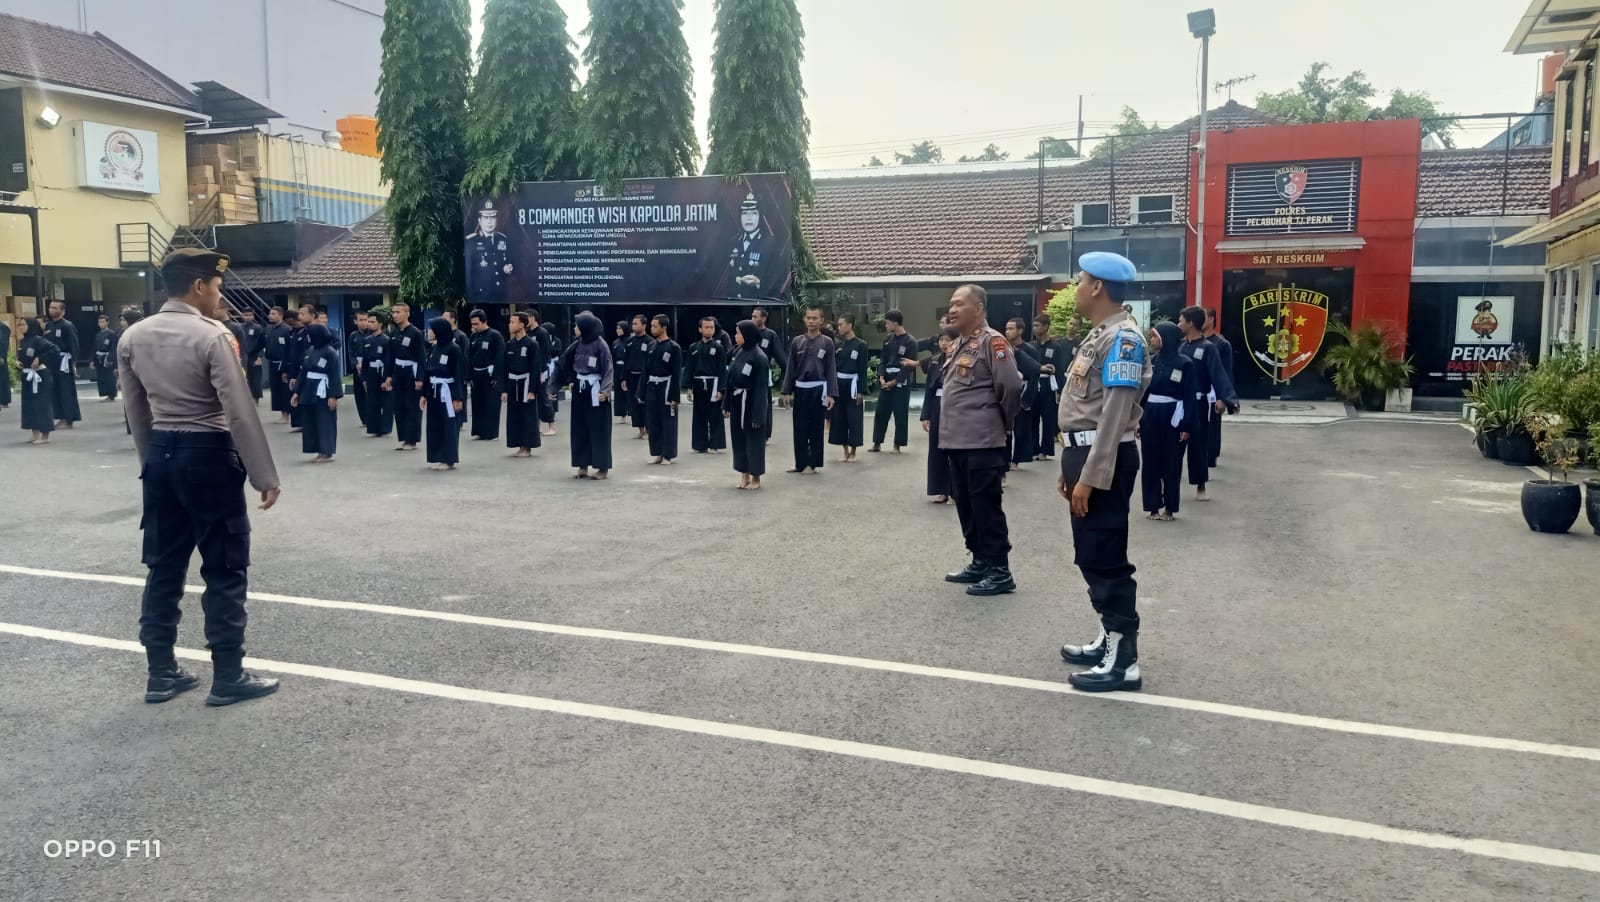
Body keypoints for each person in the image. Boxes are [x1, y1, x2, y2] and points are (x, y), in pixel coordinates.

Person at [119, 248, 282, 706]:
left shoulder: (134, 335)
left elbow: (136, 408)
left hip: (161, 454)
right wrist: (262, 472)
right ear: (198, 286)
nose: (218, 293)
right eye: (216, 286)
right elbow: (239, 408)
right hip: (208, 454)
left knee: (164, 564)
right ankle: (228, 674)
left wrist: (150, 461)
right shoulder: (214, 335)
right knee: (224, 565)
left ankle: (161, 672)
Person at [1056, 252, 1152, 693]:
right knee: (1091, 552)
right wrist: (1071, 466)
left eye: (1080, 281)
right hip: (1087, 454)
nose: (1074, 289)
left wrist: (1092, 475)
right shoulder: (1103, 334)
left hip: (1104, 456)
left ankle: (1124, 659)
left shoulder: (1124, 339)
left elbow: (1113, 414)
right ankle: (1108, 635)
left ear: (1097, 287)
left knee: (1105, 555)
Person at [940, 285, 1023, 597]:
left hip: (983, 441)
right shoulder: (960, 343)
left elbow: (1011, 388)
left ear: (979, 308)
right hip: (956, 441)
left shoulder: (994, 341)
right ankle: (979, 560)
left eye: (959, 303)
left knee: (986, 506)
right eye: (951, 303)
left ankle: (999, 569)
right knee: (966, 505)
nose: (952, 309)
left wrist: (1001, 423)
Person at [1141, 321, 1196, 521]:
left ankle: (1170, 508)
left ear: (1166, 338)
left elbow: (1189, 395)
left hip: (1174, 415)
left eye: (1155, 336)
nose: (1152, 340)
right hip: (1151, 414)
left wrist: (1187, 425)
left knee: (1171, 463)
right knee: (1150, 462)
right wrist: (1139, 420)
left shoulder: (1184, 363)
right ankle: (1152, 506)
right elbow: (1144, 393)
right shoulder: (1152, 361)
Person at [1176, 306, 1233, 502]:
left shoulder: (1209, 348)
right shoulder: (1180, 346)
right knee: (1175, 446)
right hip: (1180, 404)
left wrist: (1222, 397)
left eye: (1181, 320)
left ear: (1190, 323)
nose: (1179, 324)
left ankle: (1200, 487)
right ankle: (1170, 485)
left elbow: (1218, 373)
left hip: (1199, 402)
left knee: (1198, 447)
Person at [780, 306, 837, 475]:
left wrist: (832, 394)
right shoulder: (797, 341)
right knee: (799, 428)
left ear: (821, 320)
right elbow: (791, 367)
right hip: (800, 389)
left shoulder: (827, 342)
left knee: (815, 428)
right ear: (804, 320)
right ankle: (800, 462)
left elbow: (831, 369)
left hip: (818, 389)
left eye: (815, 318)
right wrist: (786, 391)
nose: (811, 321)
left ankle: (813, 463)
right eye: (808, 318)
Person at [559, 312, 614, 479]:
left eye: (577, 325)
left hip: (595, 392)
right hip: (580, 390)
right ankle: (582, 465)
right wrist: (554, 386)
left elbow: (608, 370)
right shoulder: (577, 344)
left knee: (599, 431)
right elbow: (563, 364)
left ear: (585, 327)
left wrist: (605, 391)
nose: (574, 328)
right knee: (579, 429)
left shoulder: (601, 345)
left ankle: (602, 469)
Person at [724, 319, 770, 489]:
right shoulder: (737, 352)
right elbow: (729, 379)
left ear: (748, 335)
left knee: (754, 440)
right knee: (739, 439)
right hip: (737, 400)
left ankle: (756, 477)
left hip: (751, 402)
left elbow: (761, 388)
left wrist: (759, 414)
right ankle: (744, 474)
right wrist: (726, 404)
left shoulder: (759, 357)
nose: (735, 336)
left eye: (738, 333)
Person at [289, 324, 342, 463]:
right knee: (310, 420)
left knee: (324, 421)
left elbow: (334, 375)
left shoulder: (330, 352)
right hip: (308, 389)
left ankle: (327, 452)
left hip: (323, 390)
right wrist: (296, 392)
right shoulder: (310, 350)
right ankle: (318, 449)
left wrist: (333, 395)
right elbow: (303, 372)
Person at [920, 326, 962, 504]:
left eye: (948, 340)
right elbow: (929, 389)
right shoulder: (936, 360)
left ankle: (955, 491)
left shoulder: (962, 360)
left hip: (956, 406)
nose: (944, 344)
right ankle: (940, 490)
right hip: (937, 404)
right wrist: (925, 415)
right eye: (941, 340)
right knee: (936, 448)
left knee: (954, 449)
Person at [422, 317, 467, 471]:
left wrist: (458, 397)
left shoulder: (453, 349)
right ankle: (437, 455)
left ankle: (448, 459)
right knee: (435, 425)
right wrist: (423, 394)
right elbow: (427, 372)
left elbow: (458, 374)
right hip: (434, 391)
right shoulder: (434, 349)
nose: (429, 332)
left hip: (447, 391)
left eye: (432, 329)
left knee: (448, 426)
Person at [871, 310, 919, 454]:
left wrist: (895, 381)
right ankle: (877, 443)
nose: (886, 325)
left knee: (900, 413)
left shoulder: (911, 341)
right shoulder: (887, 339)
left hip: (900, 381)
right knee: (881, 412)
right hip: (886, 378)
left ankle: (897, 444)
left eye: (887, 323)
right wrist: (881, 376)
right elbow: (883, 360)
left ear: (896, 322)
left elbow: (909, 366)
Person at [502, 311, 548, 457]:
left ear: (522, 324)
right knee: (514, 415)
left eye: (513, 322)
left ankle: (527, 446)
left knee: (528, 415)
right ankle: (519, 444)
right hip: (512, 382)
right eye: (510, 322)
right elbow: (504, 367)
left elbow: (535, 368)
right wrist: (504, 389)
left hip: (526, 382)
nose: (510, 325)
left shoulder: (531, 344)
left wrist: (532, 389)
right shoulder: (509, 344)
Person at [640, 315, 682, 464]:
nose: (652, 329)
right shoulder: (651, 346)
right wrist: (641, 392)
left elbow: (677, 374)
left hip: (666, 386)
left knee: (668, 422)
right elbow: (645, 370)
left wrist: (674, 396)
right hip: (652, 386)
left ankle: (668, 454)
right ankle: (657, 452)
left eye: (655, 326)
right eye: (651, 326)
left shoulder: (673, 347)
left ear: (664, 327)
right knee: (653, 421)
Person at [385, 302, 426, 451]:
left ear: (407, 313)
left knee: (412, 406)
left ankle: (412, 440)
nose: (395, 315)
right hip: (398, 372)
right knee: (399, 406)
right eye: (393, 312)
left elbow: (421, 357)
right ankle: (404, 438)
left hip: (411, 371)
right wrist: (388, 376)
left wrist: (420, 378)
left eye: (398, 312)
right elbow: (390, 356)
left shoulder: (415, 333)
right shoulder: (394, 333)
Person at [1202, 307, 1240, 467]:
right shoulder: (1191, 342)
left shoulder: (1222, 344)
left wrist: (1223, 398)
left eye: (1203, 317)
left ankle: (1210, 459)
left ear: (1211, 319)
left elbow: (1226, 373)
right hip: (1197, 391)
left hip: (1214, 392)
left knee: (1212, 427)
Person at [685, 317, 728, 454]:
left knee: (715, 414)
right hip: (698, 383)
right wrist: (689, 387)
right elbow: (689, 369)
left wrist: (722, 389)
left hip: (713, 383)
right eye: (706, 327)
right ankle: (700, 444)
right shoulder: (693, 348)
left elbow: (722, 369)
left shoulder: (719, 348)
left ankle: (715, 444)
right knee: (699, 414)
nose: (709, 330)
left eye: (711, 327)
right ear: (700, 329)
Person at [830, 313, 869, 461]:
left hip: (853, 384)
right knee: (839, 418)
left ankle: (853, 451)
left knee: (854, 418)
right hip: (839, 384)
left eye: (841, 324)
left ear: (850, 325)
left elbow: (862, 369)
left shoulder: (861, 345)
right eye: (838, 325)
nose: (838, 327)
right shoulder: (838, 345)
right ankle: (844, 450)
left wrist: (861, 390)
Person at [1005, 317, 1042, 470]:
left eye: (1011, 328)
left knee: (1020, 429)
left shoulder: (1030, 350)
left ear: (1020, 330)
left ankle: (1016, 460)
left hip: (1024, 388)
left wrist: (1028, 398)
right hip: (1007, 391)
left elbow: (1035, 374)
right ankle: (1005, 459)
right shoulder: (1003, 348)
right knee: (1005, 429)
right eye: (1006, 329)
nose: (1007, 332)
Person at [1028, 314, 1065, 460]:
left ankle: (1045, 450)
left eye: (1038, 325)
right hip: (1034, 384)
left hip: (1049, 385)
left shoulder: (1056, 347)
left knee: (1048, 418)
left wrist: (1060, 390)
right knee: (1033, 418)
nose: (1035, 328)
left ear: (1046, 326)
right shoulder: (1030, 346)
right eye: (1034, 326)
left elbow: (1060, 369)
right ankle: (1033, 449)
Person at [16, 317, 59, 444]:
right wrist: (18, 363)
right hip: (27, 376)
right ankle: (35, 433)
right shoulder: (22, 341)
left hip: (40, 376)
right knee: (30, 405)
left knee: (42, 405)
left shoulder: (39, 340)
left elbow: (54, 350)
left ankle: (45, 435)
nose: (20, 327)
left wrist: (40, 359)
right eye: (19, 325)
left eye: (23, 324)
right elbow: (22, 357)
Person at [467, 308, 505, 441]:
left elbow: (500, 357)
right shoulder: (473, 337)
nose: (474, 327)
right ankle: (479, 431)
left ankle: (491, 432)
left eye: (476, 324)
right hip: (476, 373)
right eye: (472, 324)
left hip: (489, 373)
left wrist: (497, 376)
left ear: (484, 322)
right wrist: (468, 375)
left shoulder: (495, 336)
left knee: (491, 403)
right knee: (477, 403)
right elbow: (469, 356)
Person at [44, 299, 82, 429]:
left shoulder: (67, 325)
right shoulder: (48, 326)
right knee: (55, 391)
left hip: (64, 361)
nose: (52, 310)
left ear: (62, 311)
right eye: (50, 307)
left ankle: (69, 418)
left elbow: (74, 345)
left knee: (66, 390)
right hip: (52, 362)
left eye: (55, 308)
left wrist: (73, 363)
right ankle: (60, 417)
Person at [466, 200, 512, 304]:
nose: (489, 222)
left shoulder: (503, 239)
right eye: (486, 218)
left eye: (492, 217)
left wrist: (509, 267)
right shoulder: (471, 241)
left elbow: (510, 260)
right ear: (479, 220)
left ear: (497, 220)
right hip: (481, 296)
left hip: (501, 295)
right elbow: (469, 272)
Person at [751, 307, 786, 441]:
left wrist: (784, 380)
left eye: (755, 316)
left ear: (764, 318)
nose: (753, 319)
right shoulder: (748, 332)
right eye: (752, 316)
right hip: (748, 376)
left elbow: (781, 359)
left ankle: (765, 433)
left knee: (764, 403)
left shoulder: (770, 335)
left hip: (763, 375)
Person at [727, 192, 769, 299]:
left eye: (754, 213)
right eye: (745, 213)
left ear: (760, 216)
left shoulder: (770, 244)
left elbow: (776, 281)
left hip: (756, 302)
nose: (748, 218)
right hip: (732, 304)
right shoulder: (733, 242)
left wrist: (759, 283)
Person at [358, 313, 393, 438]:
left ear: (380, 324)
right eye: (369, 321)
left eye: (373, 322)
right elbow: (365, 361)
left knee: (386, 401)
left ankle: (385, 427)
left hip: (382, 371)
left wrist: (387, 378)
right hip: (371, 372)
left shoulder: (386, 340)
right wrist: (364, 378)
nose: (369, 324)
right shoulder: (367, 340)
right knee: (372, 401)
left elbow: (389, 360)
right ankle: (374, 427)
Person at [528, 309, 561, 434]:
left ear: (533, 318)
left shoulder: (542, 333)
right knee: (533, 399)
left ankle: (551, 426)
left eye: (527, 318)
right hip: (531, 370)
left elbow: (545, 352)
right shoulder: (528, 333)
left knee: (545, 398)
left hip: (542, 370)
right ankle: (538, 425)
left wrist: (542, 370)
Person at [622, 315, 653, 438]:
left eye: (636, 324)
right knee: (634, 404)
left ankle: (648, 429)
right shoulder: (629, 341)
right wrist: (624, 378)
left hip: (644, 377)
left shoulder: (650, 342)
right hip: (631, 376)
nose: (633, 326)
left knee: (645, 404)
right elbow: (626, 360)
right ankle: (640, 429)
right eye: (633, 324)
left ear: (644, 325)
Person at [284, 307, 312, 431]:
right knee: (294, 393)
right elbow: (290, 353)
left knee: (303, 394)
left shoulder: (308, 332)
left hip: (305, 367)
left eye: (303, 314)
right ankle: (298, 422)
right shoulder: (293, 333)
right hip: (294, 367)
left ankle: (306, 422)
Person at [263, 306, 292, 422]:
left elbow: (289, 348)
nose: (271, 316)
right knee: (275, 389)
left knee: (284, 389)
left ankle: (287, 415)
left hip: (283, 363)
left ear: (281, 315)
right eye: (270, 314)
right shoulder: (268, 329)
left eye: (274, 314)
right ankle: (281, 413)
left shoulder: (287, 329)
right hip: (272, 362)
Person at [346, 313, 369, 430]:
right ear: (356, 321)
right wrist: (355, 364)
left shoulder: (372, 333)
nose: (363, 322)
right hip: (357, 366)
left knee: (370, 393)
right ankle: (364, 419)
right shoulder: (353, 335)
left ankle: (373, 417)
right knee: (359, 393)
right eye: (361, 320)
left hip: (369, 365)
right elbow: (350, 352)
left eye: (365, 319)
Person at [239, 308, 266, 403]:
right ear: (242, 316)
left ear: (253, 316)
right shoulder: (239, 327)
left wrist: (259, 358)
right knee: (243, 377)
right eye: (246, 315)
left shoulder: (258, 328)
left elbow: (261, 344)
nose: (248, 317)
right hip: (242, 356)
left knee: (255, 378)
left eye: (250, 315)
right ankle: (245, 399)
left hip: (254, 356)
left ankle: (256, 399)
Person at [92, 314, 119, 401]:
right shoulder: (98, 334)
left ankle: (112, 395)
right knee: (101, 376)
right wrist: (93, 360)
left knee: (109, 376)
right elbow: (95, 347)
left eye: (103, 322)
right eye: (99, 322)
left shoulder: (112, 334)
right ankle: (105, 393)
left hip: (108, 356)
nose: (101, 324)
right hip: (99, 356)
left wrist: (110, 358)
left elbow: (113, 347)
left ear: (107, 322)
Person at [612, 321, 630, 424]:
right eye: (617, 328)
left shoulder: (629, 341)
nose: (618, 330)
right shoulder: (615, 342)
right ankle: (622, 414)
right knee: (618, 392)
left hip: (626, 367)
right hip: (617, 368)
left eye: (620, 328)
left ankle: (631, 413)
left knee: (627, 391)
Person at [0, 314, 11, 410]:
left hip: (0, 356)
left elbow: (4, 343)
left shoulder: (3, 328)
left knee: (2, 378)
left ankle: (4, 400)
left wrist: (2, 356)